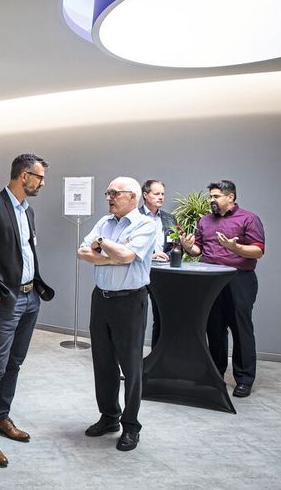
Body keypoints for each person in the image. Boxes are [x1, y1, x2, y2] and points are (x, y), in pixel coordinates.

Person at [0, 153, 54, 468]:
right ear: (24, 176)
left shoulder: (28, 210)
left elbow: (26, 250)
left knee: (14, 363)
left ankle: (1, 417)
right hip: (6, 301)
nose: (42, 183)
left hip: (30, 298)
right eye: (39, 177)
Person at [77, 177, 155, 452]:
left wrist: (101, 243)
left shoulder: (145, 224)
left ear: (132, 196)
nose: (109, 197)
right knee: (103, 361)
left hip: (130, 301)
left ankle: (130, 425)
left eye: (115, 193)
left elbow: (127, 256)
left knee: (131, 366)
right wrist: (112, 256)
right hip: (101, 299)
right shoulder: (104, 221)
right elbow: (82, 252)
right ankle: (109, 416)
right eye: (108, 193)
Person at [181, 180, 265, 398]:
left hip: (239, 280)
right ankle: (215, 373)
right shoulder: (205, 221)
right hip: (210, 281)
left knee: (240, 329)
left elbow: (258, 251)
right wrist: (189, 247)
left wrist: (235, 247)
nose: (212, 200)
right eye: (210, 196)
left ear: (231, 197)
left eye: (216, 196)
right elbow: (198, 249)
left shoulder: (249, 218)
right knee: (214, 328)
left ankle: (244, 380)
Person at [138, 179, 178, 348]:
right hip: (139, 271)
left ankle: (156, 357)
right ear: (145, 195)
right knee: (136, 318)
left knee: (161, 317)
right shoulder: (134, 216)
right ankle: (132, 360)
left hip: (162, 273)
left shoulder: (170, 218)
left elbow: (176, 244)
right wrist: (151, 255)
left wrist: (168, 256)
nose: (161, 197)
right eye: (156, 194)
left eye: (162, 194)